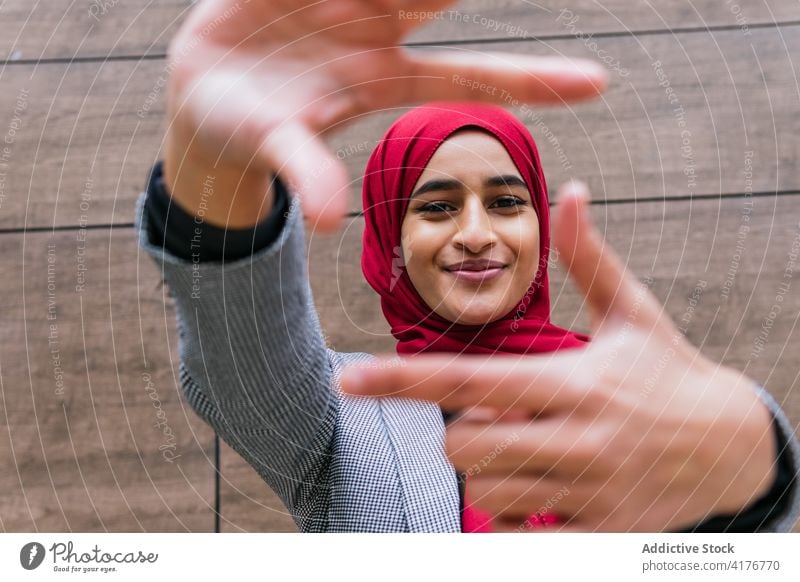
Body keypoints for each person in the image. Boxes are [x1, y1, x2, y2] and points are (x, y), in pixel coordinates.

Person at [136, 0, 799, 531]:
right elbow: (239, 344)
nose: (477, 234)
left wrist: (755, 460)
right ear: (391, 243)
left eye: (507, 202)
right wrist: (212, 163)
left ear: (540, 223)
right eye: (436, 207)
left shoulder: (628, 397)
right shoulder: (341, 413)